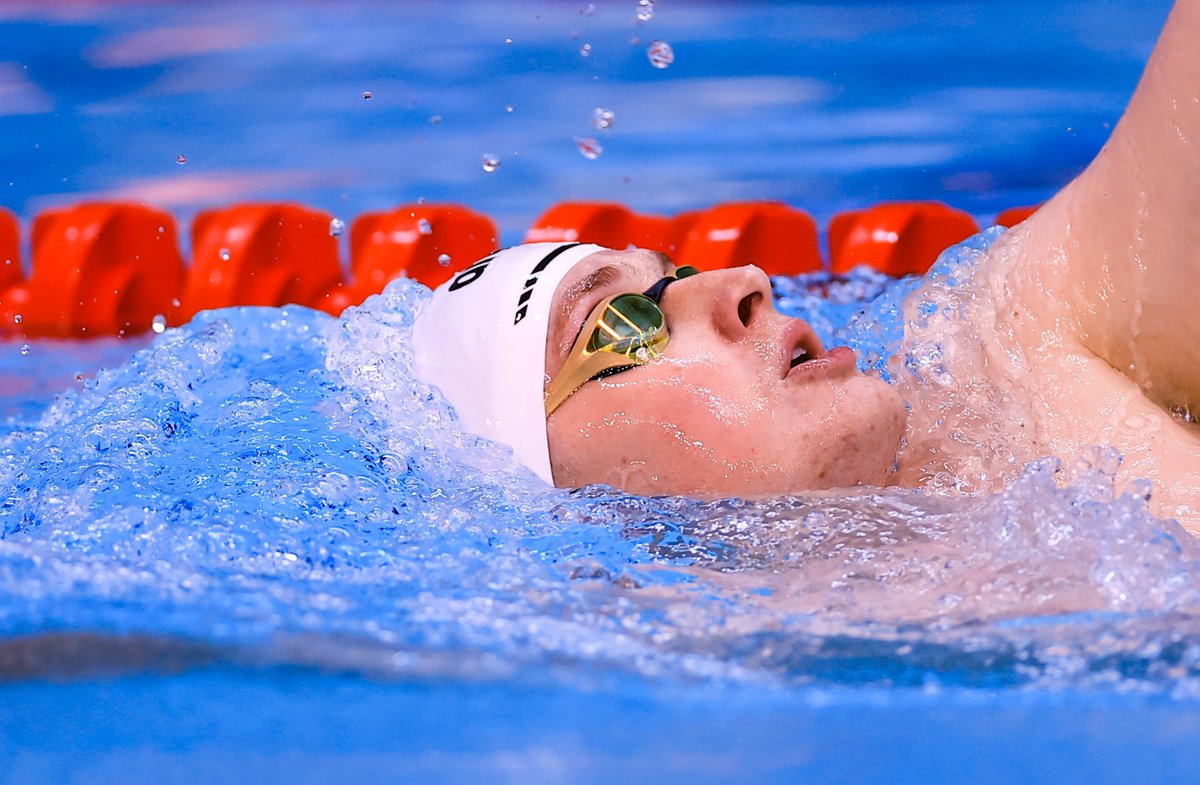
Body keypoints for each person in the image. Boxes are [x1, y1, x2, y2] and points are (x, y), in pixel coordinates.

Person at [411, 0, 1200, 533]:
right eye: (624, 322)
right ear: (559, 501)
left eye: (675, 277)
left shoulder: (1006, 354)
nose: (745, 282)